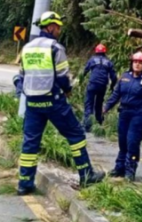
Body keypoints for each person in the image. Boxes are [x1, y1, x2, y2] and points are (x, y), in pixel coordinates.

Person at [15, 11, 105, 195]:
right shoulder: (55, 48)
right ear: (50, 27)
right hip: (53, 101)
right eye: (57, 27)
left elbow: (20, 76)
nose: (59, 30)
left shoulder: (28, 48)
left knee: (30, 143)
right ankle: (86, 175)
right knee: (76, 134)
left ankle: (24, 183)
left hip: (32, 103)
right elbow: (63, 77)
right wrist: (68, 89)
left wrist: (22, 92)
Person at [102, 51, 142, 182]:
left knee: (132, 142)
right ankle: (119, 168)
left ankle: (130, 171)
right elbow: (116, 95)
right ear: (131, 63)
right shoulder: (125, 77)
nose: (137, 65)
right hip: (124, 114)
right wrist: (105, 107)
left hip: (138, 115)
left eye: (140, 63)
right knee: (122, 143)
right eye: (135, 62)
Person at [80, 43, 117, 131]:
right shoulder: (108, 62)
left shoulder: (92, 60)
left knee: (89, 104)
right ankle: (99, 122)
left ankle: (87, 126)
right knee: (99, 104)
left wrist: (82, 80)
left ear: (96, 52)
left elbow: (85, 71)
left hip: (92, 84)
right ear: (105, 52)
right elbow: (114, 77)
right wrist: (112, 87)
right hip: (102, 86)